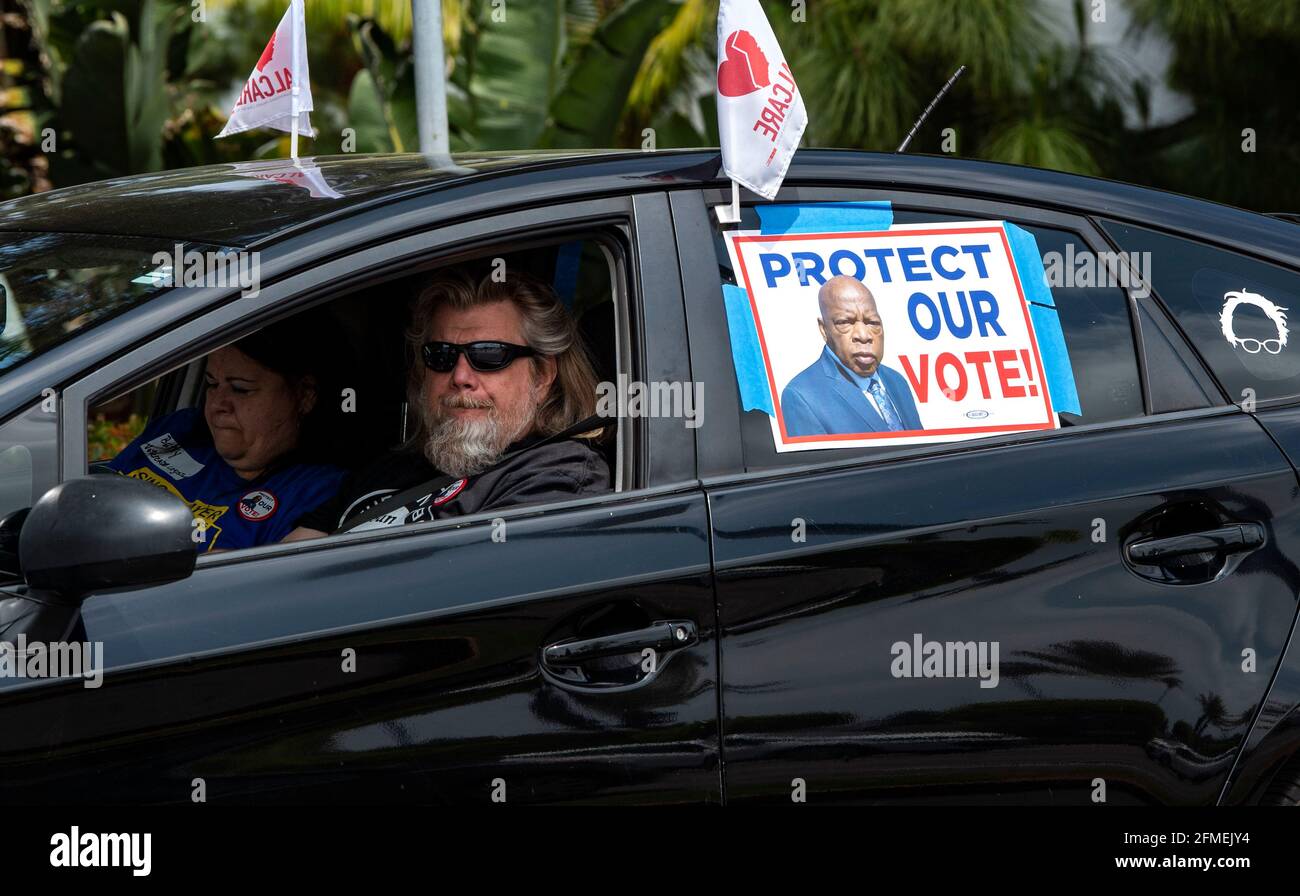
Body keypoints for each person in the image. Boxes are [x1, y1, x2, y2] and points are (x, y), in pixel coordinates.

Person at [285, 270, 609, 539]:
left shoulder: (556, 477)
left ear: (542, 376)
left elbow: (468, 600)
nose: (461, 376)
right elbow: (281, 568)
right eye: (441, 356)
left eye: (489, 355)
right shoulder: (388, 468)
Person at [106, 318, 348, 551]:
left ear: (304, 395)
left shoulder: (315, 492)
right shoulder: (178, 430)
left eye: (240, 389)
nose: (216, 404)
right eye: (212, 384)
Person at [781, 274, 923, 436]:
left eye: (873, 322)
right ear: (824, 329)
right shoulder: (802, 397)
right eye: (845, 322)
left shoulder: (895, 380)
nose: (863, 335)